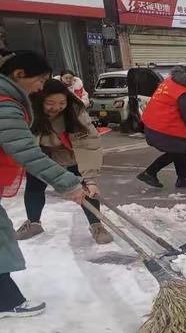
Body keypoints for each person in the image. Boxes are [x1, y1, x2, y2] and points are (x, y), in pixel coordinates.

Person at [0, 50, 86, 319]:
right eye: (40, 81)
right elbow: (25, 150)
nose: (40, 87)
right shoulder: (5, 104)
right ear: (19, 74)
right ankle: (6, 300)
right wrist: (67, 183)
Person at [15, 79, 113, 245]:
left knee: (85, 189)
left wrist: (90, 179)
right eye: (50, 103)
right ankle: (33, 223)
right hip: (41, 155)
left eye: (62, 103)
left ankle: (96, 225)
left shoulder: (75, 112)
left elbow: (89, 145)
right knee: (34, 187)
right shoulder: (28, 112)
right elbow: (24, 143)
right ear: (40, 101)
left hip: (71, 154)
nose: (56, 107)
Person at [137, 66, 186, 188]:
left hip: (154, 120)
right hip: (163, 124)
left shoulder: (173, 81)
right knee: (178, 150)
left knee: (181, 148)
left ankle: (183, 178)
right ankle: (149, 172)